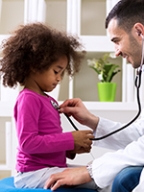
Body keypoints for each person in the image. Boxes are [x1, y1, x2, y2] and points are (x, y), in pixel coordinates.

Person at [44, 0, 144, 191]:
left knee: (124, 178)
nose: (116, 52)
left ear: (139, 32)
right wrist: (93, 122)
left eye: (117, 41)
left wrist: (91, 170)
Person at [0, 23, 95, 189]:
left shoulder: (46, 99)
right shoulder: (28, 99)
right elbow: (28, 143)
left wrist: (71, 148)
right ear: (35, 65)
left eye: (62, 73)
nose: (59, 78)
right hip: (31, 174)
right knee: (96, 180)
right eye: (56, 71)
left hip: (47, 169)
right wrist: (70, 138)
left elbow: (47, 142)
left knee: (98, 174)